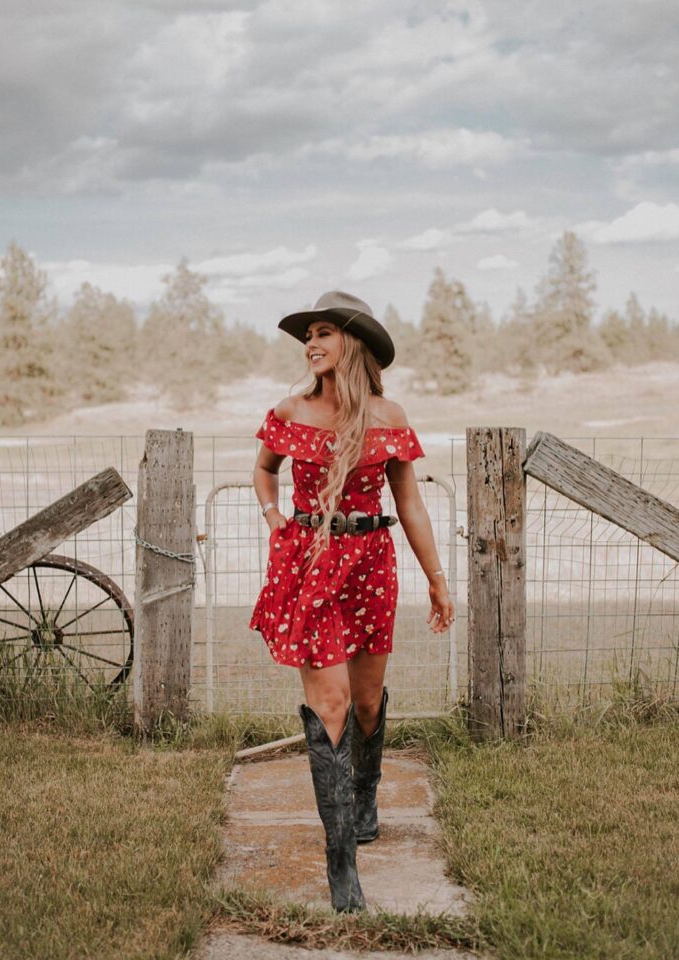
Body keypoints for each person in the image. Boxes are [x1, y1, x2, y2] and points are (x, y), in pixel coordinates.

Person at [250, 290, 454, 913]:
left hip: (371, 565)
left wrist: (437, 577)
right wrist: (274, 517)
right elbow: (264, 469)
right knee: (332, 704)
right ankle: (343, 868)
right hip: (311, 564)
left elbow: (410, 502)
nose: (310, 344)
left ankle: (365, 795)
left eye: (323, 333)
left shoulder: (389, 416)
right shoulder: (290, 410)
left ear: (353, 344)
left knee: (365, 701)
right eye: (306, 335)